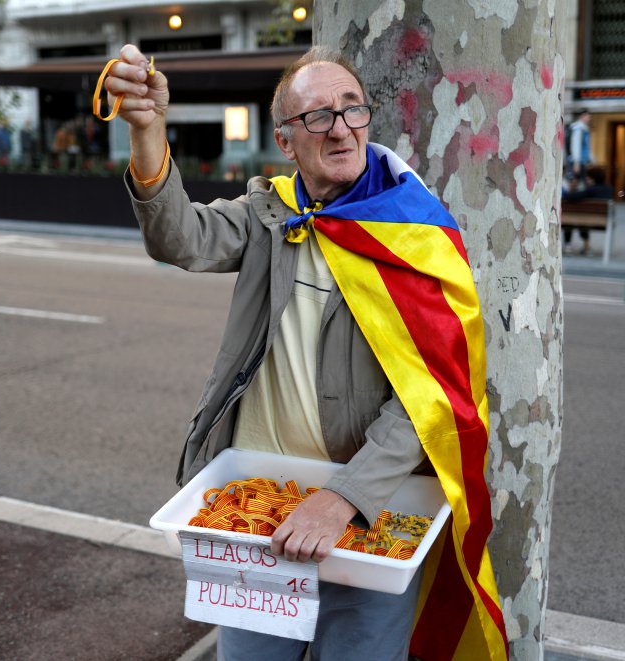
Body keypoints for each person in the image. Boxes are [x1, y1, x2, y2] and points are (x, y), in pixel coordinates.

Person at [104, 44, 507, 661]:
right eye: (318, 115)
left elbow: (436, 394)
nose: (341, 127)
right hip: (258, 517)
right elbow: (179, 239)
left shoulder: (414, 231)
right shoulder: (271, 214)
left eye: (352, 109)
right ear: (287, 142)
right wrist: (147, 129)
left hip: (368, 517)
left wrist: (344, 497)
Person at [562, 165, 614, 254]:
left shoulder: (591, 190)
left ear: (592, 178)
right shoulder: (609, 189)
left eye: (588, 177)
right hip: (605, 221)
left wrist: (572, 189)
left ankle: (568, 246)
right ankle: (587, 246)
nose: (586, 179)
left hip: (586, 220)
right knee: (583, 219)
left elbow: (570, 197)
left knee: (573, 219)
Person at [566, 110, 592, 188]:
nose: (589, 119)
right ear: (582, 116)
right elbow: (576, 145)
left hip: (582, 161)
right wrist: (576, 162)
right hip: (577, 161)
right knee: (576, 184)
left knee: (580, 184)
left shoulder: (584, 129)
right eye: (588, 117)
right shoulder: (578, 128)